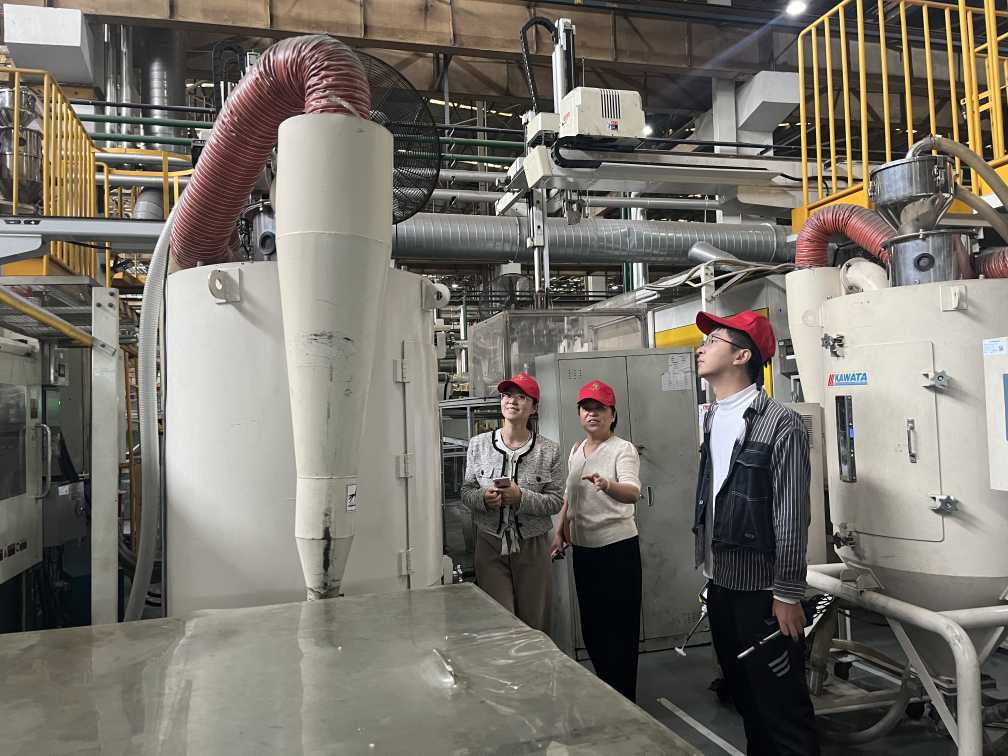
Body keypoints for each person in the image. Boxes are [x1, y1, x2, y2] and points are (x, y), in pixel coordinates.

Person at [692, 309, 819, 755]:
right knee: (746, 700)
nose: (702, 347)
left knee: (781, 710)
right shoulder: (713, 417)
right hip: (721, 582)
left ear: (742, 355)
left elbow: (791, 515)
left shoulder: (780, 423)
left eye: (714, 340)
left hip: (763, 592)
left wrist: (787, 593)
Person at [551, 379, 642, 702]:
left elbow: (633, 492)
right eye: (586, 408)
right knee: (593, 628)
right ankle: (608, 695)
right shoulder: (577, 450)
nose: (592, 414)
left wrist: (608, 485)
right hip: (585, 551)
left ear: (612, 415)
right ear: (579, 414)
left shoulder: (622, 449)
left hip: (617, 551)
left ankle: (625, 700)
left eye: (599, 409)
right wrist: (561, 529)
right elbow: (569, 494)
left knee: (620, 631)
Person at [461, 372, 563, 632]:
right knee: (501, 623)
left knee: (534, 622)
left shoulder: (548, 450)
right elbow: (467, 491)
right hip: (490, 543)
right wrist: (484, 499)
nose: (512, 401)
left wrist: (522, 498)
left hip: (532, 545)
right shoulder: (479, 445)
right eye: (507, 395)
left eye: (521, 397)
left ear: (534, 407)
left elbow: (555, 501)